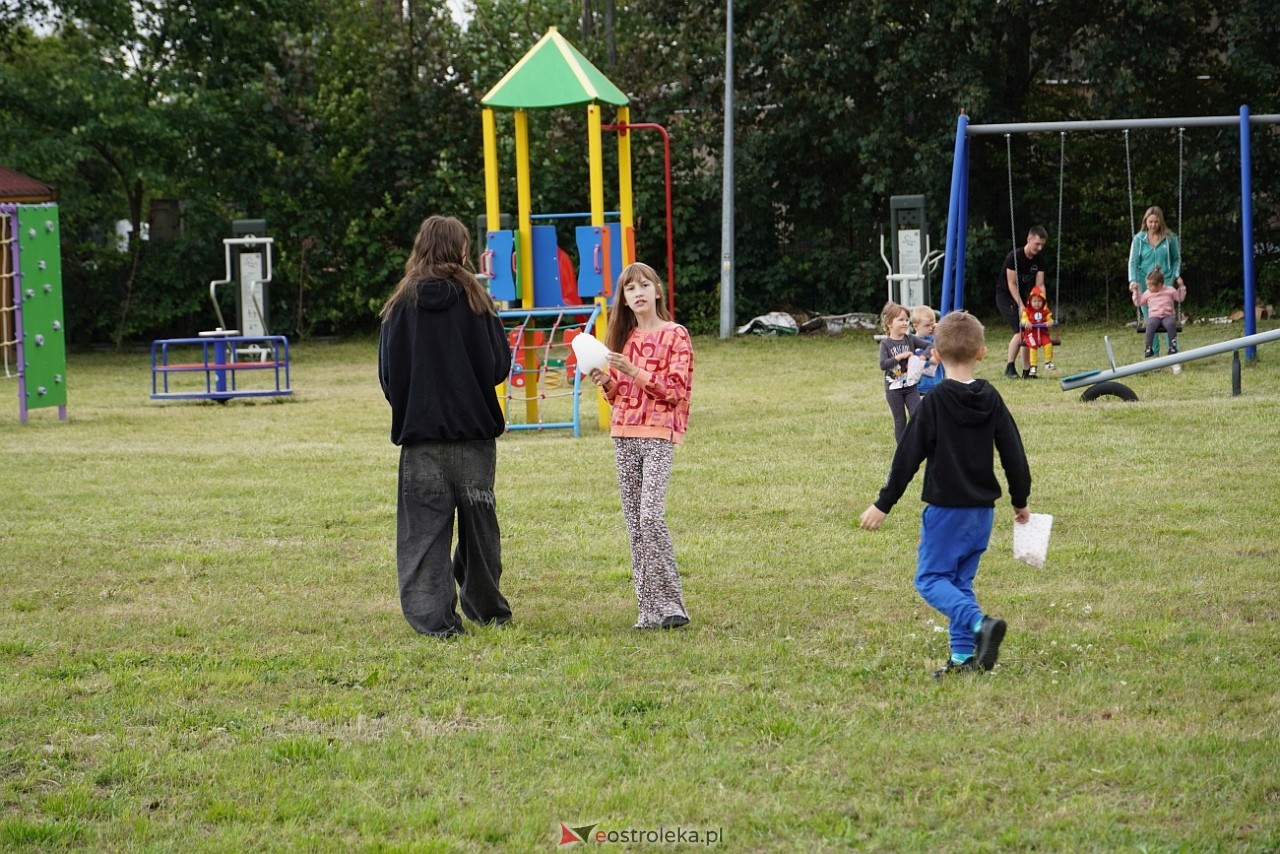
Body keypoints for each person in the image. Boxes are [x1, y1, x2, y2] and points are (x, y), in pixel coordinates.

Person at [859, 311, 1032, 679]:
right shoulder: (991, 397)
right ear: (982, 352)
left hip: (947, 510)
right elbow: (1014, 452)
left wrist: (883, 503)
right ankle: (963, 659)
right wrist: (1020, 500)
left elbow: (907, 455)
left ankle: (979, 623)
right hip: (982, 512)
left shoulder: (934, 401)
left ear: (935, 352)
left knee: (931, 579)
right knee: (958, 583)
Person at [378, 215, 514, 637]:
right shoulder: (477, 301)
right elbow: (497, 366)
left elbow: (389, 376)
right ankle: (486, 607)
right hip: (474, 436)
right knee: (480, 529)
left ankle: (432, 619)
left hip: (421, 440)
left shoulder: (399, 306)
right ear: (460, 248)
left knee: (423, 534)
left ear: (420, 247)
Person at [588, 262, 694, 630]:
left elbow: (676, 391)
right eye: (630, 289)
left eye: (644, 285)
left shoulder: (676, 335)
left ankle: (673, 605)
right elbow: (618, 397)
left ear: (657, 291)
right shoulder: (624, 339)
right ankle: (648, 611)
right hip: (624, 435)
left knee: (650, 517)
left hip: (659, 434)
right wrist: (606, 382)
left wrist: (634, 371)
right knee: (635, 526)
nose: (638, 292)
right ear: (625, 300)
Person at [1128, 206, 1184, 356]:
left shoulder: (1169, 238)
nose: (1153, 225)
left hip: (1164, 282)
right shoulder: (1139, 239)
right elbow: (1133, 262)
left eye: (1156, 222)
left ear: (1161, 222)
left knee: (1168, 317)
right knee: (1150, 319)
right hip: (1146, 285)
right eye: (1150, 222)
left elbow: (1176, 258)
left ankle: (1173, 354)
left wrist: (1175, 275)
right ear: (1145, 221)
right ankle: (1154, 357)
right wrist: (1133, 281)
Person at [997, 225, 1049, 379]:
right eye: (1037, 244)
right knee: (1020, 332)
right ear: (1029, 239)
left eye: (1042, 245)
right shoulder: (1014, 257)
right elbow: (1012, 284)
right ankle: (1010, 367)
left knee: (1029, 331)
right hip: (1006, 296)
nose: (1039, 248)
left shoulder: (1039, 260)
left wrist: (1042, 306)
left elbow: (1039, 285)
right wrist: (1021, 306)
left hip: (1025, 297)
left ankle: (1027, 371)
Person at [878, 301, 932, 443]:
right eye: (900, 320)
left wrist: (923, 356)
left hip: (911, 387)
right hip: (893, 390)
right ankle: (902, 451)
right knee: (900, 421)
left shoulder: (911, 339)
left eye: (907, 320)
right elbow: (883, 365)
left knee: (917, 415)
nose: (905, 323)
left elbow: (930, 345)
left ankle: (917, 444)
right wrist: (899, 357)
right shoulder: (886, 344)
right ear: (889, 323)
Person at [1131, 266, 1186, 358]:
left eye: (1150, 286)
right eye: (1147, 285)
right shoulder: (1148, 293)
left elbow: (1180, 298)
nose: (1148, 287)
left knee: (1171, 324)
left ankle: (1172, 346)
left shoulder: (1170, 290)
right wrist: (1135, 291)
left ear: (1160, 284)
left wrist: (1181, 286)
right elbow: (1138, 302)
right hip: (1154, 316)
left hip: (1167, 316)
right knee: (1150, 324)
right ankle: (1148, 347)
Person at [1018, 284, 1055, 378]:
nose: (1037, 303)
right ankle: (1033, 366)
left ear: (1043, 302)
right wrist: (1026, 322)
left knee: (1048, 343)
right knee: (1033, 346)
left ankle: (1048, 362)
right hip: (1030, 334)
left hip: (1042, 333)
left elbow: (1050, 319)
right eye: (1034, 301)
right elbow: (1023, 319)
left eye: (1039, 301)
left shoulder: (1045, 311)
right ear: (1030, 302)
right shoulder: (1027, 311)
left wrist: (1050, 322)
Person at [910, 304, 944, 395]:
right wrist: (929, 361)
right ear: (916, 326)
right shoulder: (912, 342)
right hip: (920, 386)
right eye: (927, 325)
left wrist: (940, 329)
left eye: (932, 325)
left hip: (937, 384)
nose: (930, 328)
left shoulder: (935, 338)